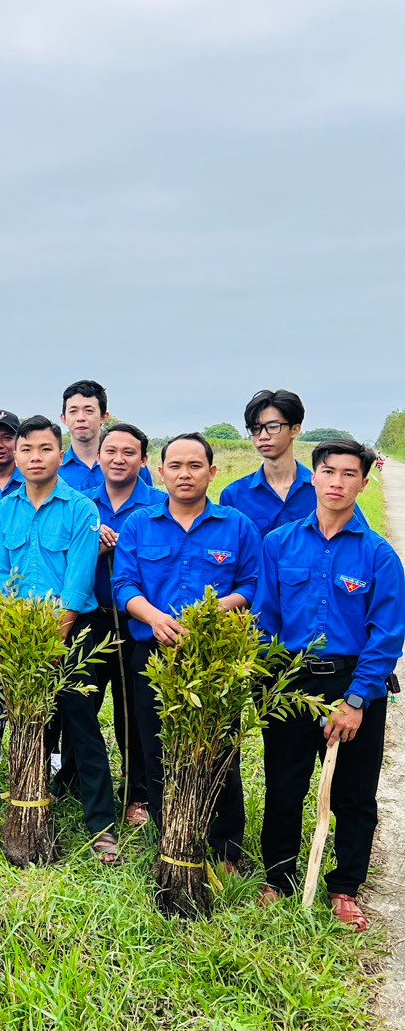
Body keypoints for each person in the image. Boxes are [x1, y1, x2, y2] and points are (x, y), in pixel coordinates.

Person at [256, 439, 405, 931]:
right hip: (290, 677)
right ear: (313, 478)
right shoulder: (278, 543)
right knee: (284, 784)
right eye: (328, 472)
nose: (337, 482)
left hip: (353, 679)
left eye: (349, 474)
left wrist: (357, 700)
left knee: (353, 793)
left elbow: (386, 636)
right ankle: (277, 877)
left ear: (364, 482)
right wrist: (267, 683)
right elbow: (265, 619)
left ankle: (344, 887)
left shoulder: (379, 555)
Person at [111, 432, 261, 871]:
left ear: (212, 472)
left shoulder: (236, 526)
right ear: (159, 472)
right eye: (175, 465)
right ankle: (170, 833)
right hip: (153, 656)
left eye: (195, 465)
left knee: (218, 750)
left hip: (214, 661)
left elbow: (252, 586)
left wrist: (212, 614)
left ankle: (226, 846)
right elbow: (124, 586)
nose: (184, 474)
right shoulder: (139, 524)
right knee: (156, 748)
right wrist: (155, 618)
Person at [0, 415, 120, 862]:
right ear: (15, 456)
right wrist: (17, 639)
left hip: (71, 632)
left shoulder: (81, 508)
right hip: (20, 634)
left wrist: (53, 638)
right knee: (27, 723)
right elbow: (1, 576)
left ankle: (101, 824)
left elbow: (79, 582)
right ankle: (30, 800)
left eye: (45, 449)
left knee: (81, 723)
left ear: (60, 455)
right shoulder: (4, 509)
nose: (35, 457)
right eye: (27, 450)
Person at [73, 422, 160, 826]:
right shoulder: (80, 505)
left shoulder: (159, 506)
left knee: (134, 711)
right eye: (110, 451)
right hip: (89, 620)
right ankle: (76, 782)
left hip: (136, 624)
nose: (118, 459)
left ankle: (137, 793)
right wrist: (94, 550)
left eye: (129, 452)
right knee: (80, 705)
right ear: (99, 457)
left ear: (143, 459)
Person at [221, 388, 360, 538]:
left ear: (295, 430)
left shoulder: (326, 489)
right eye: (255, 428)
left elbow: (359, 540)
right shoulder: (234, 495)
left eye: (273, 427)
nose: (263, 436)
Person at [58, 379, 153, 492]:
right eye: (73, 411)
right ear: (63, 418)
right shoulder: (54, 469)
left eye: (89, 410)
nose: (80, 418)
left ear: (104, 417)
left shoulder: (131, 464)